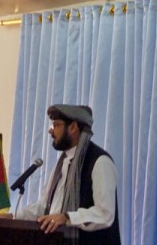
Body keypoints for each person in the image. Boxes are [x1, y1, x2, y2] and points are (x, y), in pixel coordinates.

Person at [14, 104, 121, 245]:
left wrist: (67, 217)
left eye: (56, 125)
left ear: (73, 127)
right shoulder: (61, 164)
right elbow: (45, 207)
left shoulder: (99, 161)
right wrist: (13, 217)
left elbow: (105, 214)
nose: (50, 131)